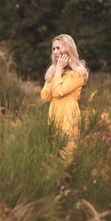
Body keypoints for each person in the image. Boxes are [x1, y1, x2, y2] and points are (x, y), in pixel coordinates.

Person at [40, 34, 89, 165]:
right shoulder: (55, 70)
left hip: (68, 116)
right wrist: (55, 71)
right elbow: (45, 96)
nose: (55, 52)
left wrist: (58, 72)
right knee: (53, 154)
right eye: (53, 48)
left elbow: (58, 91)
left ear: (68, 49)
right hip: (54, 115)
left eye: (59, 48)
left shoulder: (77, 73)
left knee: (67, 154)